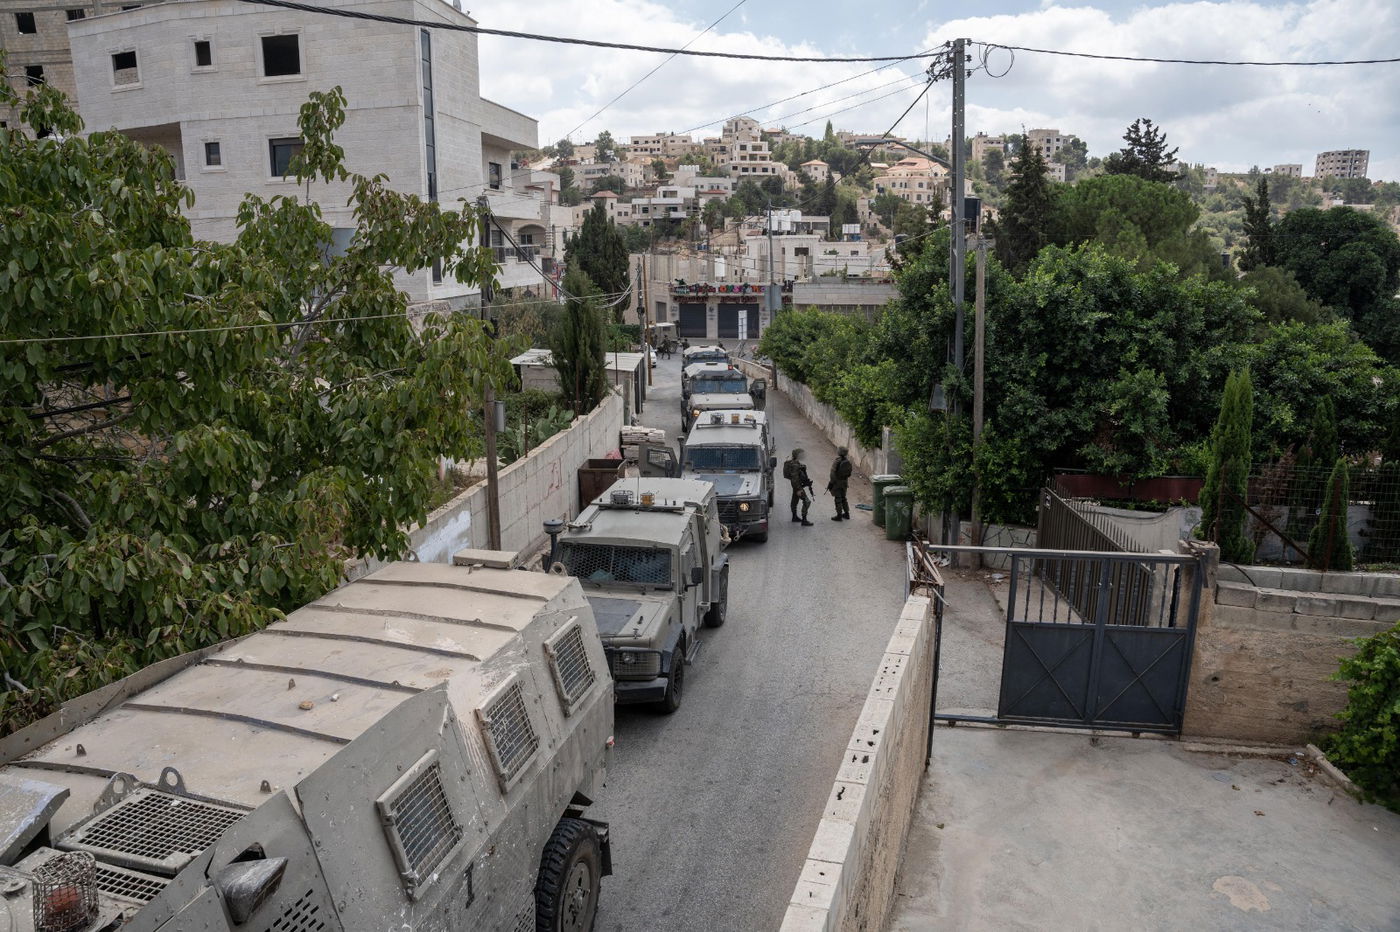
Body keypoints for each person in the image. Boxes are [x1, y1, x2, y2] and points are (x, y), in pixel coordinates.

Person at [783, 448, 814, 526]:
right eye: (801, 454)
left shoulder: (795, 463)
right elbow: (794, 479)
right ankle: (804, 520)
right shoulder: (795, 465)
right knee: (807, 502)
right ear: (798, 455)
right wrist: (799, 489)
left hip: (797, 486)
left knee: (794, 500)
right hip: (797, 487)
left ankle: (794, 517)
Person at [828, 447, 853, 520]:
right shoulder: (847, 461)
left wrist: (831, 483)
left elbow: (832, 473)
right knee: (843, 498)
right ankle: (846, 513)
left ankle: (839, 515)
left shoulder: (837, 461)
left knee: (838, 499)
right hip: (844, 482)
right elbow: (849, 473)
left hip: (837, 482)